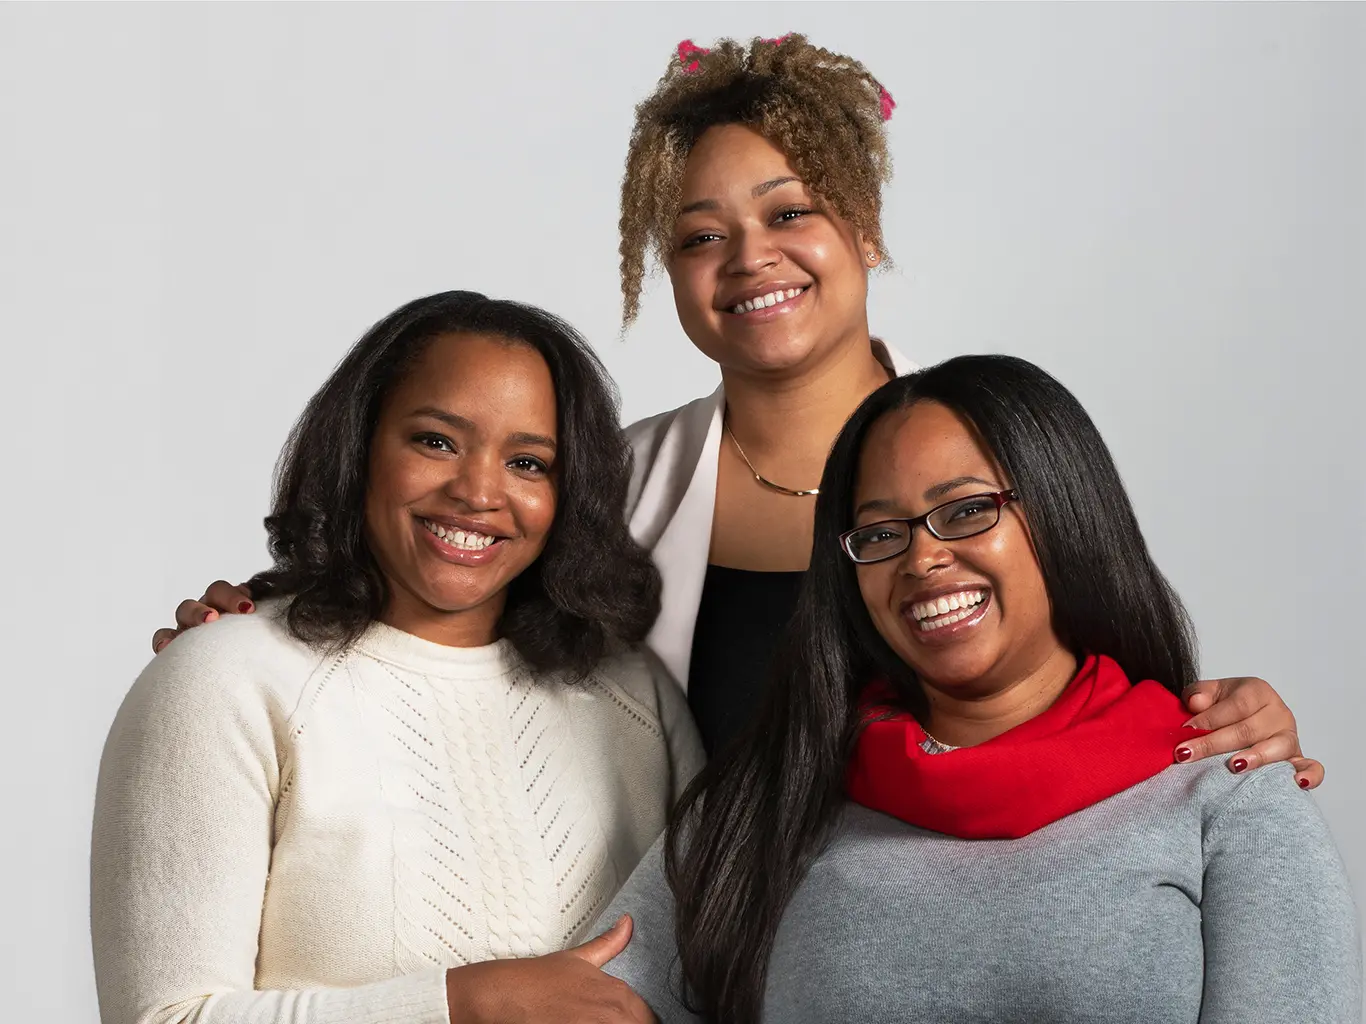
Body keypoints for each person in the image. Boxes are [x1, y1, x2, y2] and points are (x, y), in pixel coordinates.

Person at [151, 35, 1322, 776]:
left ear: (862, 228)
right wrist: (265, 625)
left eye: (788, 214)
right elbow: (438, 595)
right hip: (680, 970)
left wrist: (1233, 716)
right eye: (699, 237)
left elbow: (1112, 682)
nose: (748, 259)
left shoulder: (988, 456)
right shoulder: (604, 479)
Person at [598, 355, 1362, 1023]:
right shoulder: (771, 798)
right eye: (880, 534)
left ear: (1066, 514)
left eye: (966, 511)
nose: (922, 558)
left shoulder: (1231, 797)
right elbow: (584, 1001)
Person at [92, 291, 704, 1024]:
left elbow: (713, 978)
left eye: (528, 462)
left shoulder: (633, 695)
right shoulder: (225, 681)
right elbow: (164, 1017)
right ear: (360, 447)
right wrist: (462, 1003)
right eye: (436, 441)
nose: (479, 492)